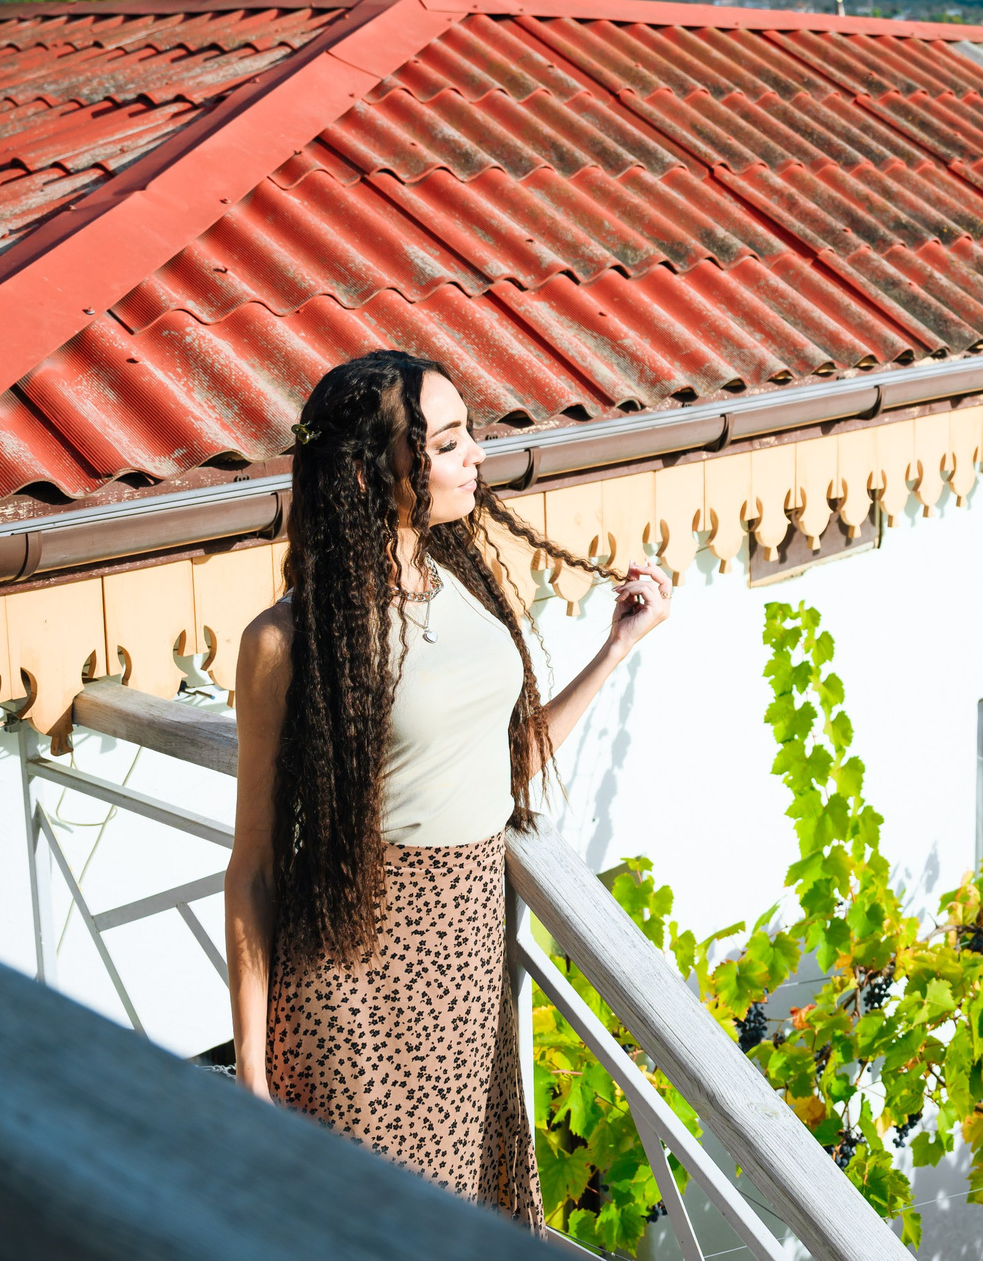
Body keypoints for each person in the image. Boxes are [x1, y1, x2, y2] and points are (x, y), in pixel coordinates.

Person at [223, 349, 670, 1224]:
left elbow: (502, 766)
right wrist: (249, 1072)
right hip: (352, 984)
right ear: (373, 467)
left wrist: (615, 649)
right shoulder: (287, 640)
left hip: (467, 968)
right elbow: (254, 869)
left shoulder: (457, 580)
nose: (478, 459)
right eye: (452, 442)